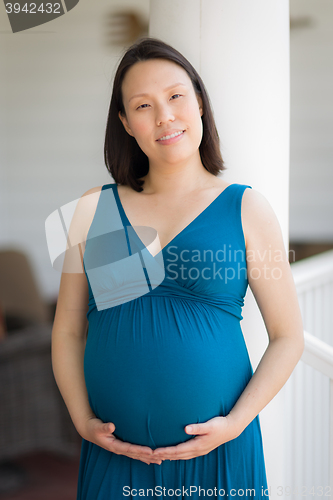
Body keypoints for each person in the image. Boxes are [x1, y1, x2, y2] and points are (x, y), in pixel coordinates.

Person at [51, 37, 304, 499]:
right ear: (126, 123)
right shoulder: (93, 209)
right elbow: (67, 330)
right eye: (143, 105)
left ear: (200, 103)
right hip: (115, 456)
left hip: (219, 455)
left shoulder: (246, 209)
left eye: (175, 96)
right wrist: (82, 421)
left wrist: (234, 425)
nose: (164, 116)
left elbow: (288, 336)